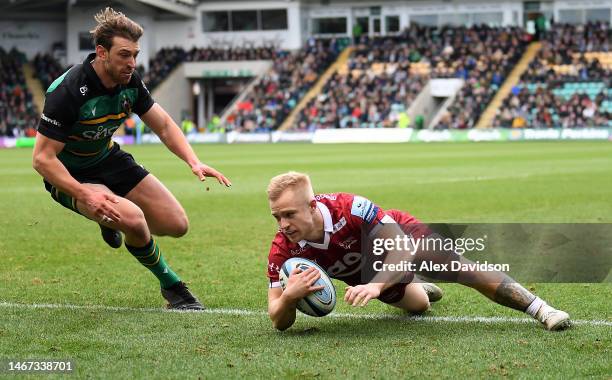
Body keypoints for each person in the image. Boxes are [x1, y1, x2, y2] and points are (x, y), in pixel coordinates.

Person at [32, 8, 231, 310]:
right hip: (71, 175)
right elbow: (42, 159)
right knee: (135, 222)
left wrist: (193, 161)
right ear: (101, 52)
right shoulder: (69, 91)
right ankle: (173, 288)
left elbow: (162, 124)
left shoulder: (130, 81)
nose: (132, 63)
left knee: (177, 224)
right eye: (124, 54)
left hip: (108, 158)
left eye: (135, 54)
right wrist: (86, 193)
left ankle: (110, 218)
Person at [265, 172, 571, 331]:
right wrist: (290, 297)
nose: (283, 224)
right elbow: (278, 320)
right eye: (277, 216)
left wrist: (376, 285)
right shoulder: (284, 252)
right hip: (367, 273)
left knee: (457, 267)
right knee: (419, 306)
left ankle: (542, 310)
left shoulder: (351, 208)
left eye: (290, 214)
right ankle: (417, 285)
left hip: (400, 239)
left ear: (313, 205)